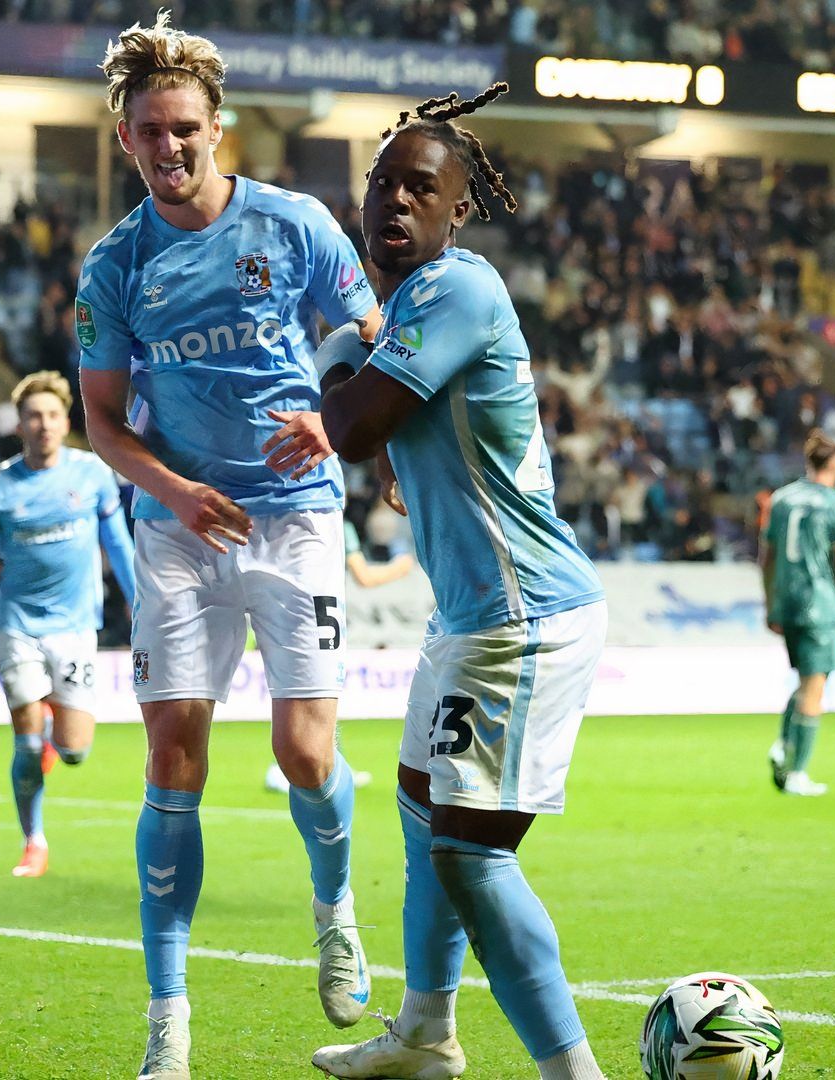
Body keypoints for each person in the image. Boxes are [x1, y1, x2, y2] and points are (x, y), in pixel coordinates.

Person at [71, 16, 383, 1075]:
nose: (170, 148)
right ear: (126, 139)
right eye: (151, 132)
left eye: (186, 129)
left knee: (305, 753)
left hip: (294, 513)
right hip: (174, 526)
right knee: (175, 761)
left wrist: (331, 418)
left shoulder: (293, 226)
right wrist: (175, 490)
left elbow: (369, 337)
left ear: (220, 129)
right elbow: (103, 424)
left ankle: (335, 911)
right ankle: (169, 1020)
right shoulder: (114, 268)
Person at [313, 82, 610, 1080]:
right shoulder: (410, 308)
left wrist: (335, 360)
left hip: (522, 619)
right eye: (383, 186)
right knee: (418, 806)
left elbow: (351, 426)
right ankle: (428, 1034)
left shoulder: (454, 290)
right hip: (471, 619)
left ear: (457, 210)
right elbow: (381, 428)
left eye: (420, 190)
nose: (396, 203)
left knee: (471, 855)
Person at [0, 371, 138, 878]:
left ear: (65, 421)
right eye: (34, 416)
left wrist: (140, 605)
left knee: (75, 749)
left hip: (77, 626)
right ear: (20, 423)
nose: (44, 424)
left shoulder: (91, 475)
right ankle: (33, 841)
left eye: (53, 415)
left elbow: (119, 547)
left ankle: (48, 740)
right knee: (27, 739)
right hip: (17, 626)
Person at [263, 516, 412, 793]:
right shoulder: (336, 521)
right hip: (315, 613)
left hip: (281, 606)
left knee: (301, 693)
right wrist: (400, 568)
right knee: (317, 694)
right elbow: (364, 577)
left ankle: (322, 764)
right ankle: (296, 767)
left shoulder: (285, 514)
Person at [761, 431, 835, 797]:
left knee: (808, 679)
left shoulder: (781, 500)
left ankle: (783, 744)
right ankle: (796, 772)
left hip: (787, 602)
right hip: (819, 604)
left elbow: (767, 557)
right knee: (815, 688)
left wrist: (770, 603)